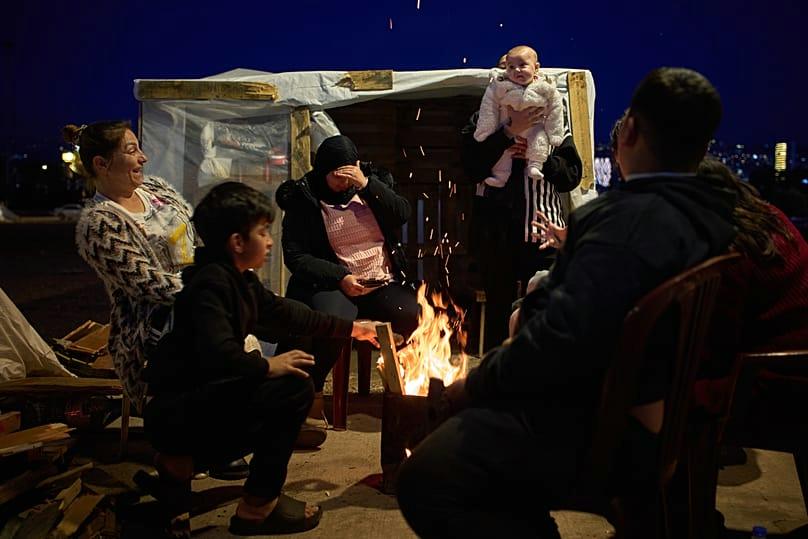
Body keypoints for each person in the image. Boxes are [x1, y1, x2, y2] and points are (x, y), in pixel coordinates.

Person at [397, 67, 737, 537]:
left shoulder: (623, 225)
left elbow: (559, 341)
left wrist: (472, 386)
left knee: (428, 476)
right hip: (660, 414)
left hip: (604, 430)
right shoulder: (713, 217)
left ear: (629, 132)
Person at [141, 182, 379, 536]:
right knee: (294, 388)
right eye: (263, 232)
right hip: (177, 413)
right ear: (237, 242)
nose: (269, 242)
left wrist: (353, 329)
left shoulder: (238, 280)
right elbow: (217, 353)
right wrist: (268, 365)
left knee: (291, 382)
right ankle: (257, 505)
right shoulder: (210, 285)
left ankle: (182, 464)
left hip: (196, 404)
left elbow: (286, 313)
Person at [275, 135, 419, 424]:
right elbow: (296, 257)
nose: (344, 183)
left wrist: (366, 184)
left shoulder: (370, 184)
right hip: (334, 283)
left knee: (413, 313)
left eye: (349, 174)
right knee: (333, 323)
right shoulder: (304, 197)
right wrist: (340, 277)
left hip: (380, 282)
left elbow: (402, 214)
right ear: (323, 173)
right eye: (337, 177)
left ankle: (404, 392)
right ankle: (311, 394)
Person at [68, 121, 194, 412]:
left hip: (199, 298)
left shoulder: (156, 190)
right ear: (101, 164)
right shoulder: (100, 223)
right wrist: (213, 288)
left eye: (139, 148)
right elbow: (148, 285)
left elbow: (196, 237)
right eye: (131, 150)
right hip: (152, 329)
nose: (143, 157)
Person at [460, 62, 582, 349]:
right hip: (495, 233)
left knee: (541, 307)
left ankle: (537, 370)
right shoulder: (483, 117)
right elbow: (469, 168)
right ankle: (495, 370)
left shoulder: (551, 114)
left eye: (519, 69)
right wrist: (506, 134)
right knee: (498, 312)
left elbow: (572, 175)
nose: (512, 76)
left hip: (541, 231)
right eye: (506, 70)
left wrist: (539, 158)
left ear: (534, 74)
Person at [474, 45, 565, 184]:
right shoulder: (483, 112)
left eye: (522, 65)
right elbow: (471, 165)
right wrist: (506, 135)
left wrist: (542, 160)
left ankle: (535, 165)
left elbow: (571, 176)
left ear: (536, 68)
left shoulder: (546, 92)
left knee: (539, 139)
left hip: (539, 196)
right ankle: (500, 176)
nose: (516, 71)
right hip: (497, 196)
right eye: (508, 67)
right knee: (503, 156)